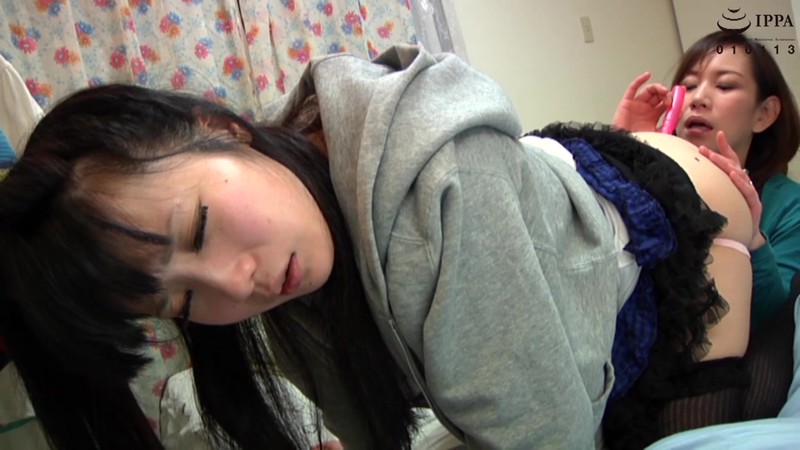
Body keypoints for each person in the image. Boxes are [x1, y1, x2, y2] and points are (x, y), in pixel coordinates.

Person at [0, 44, 754, 449]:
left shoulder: (444, 185)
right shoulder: (286, 255)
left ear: (221, 128)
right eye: (184, 298)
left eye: (198, 228)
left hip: (678, 202)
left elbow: (547, 437)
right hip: (546, 191)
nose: (237, 282)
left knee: (726, 346)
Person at [613, 30, 800, 330]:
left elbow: (776, 322)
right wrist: (624, 150)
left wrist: (751, 237)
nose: (697, 98)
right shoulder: (653, 178)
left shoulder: (791, 205)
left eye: (725, 85)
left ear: (764, 113)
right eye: (688, 85)